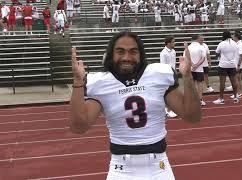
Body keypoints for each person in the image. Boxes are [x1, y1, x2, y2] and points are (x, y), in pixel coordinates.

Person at [69, 31, 201, 180]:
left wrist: (188, 77)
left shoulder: (158, 75)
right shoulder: (100, 83)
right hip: (121, 168)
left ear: (141, 54)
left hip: (159, 166)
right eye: (120, 51)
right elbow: (78, 127)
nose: (126, 57)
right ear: (111, 54)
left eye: (133, 52)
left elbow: (193, 116)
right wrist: (78, 83)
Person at [213, 30, 239, 104]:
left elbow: (217, 53)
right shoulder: (235, 43)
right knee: (234, 82)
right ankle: (235, 97)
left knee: (222, 83)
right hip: (232, 64)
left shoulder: (222, 43)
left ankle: (221, 98)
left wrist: (218, 57)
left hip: (223, 65)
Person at [160, 36, 178, 117]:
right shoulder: (163, 53)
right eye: (173, 42)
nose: (174, 43)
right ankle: (168, 110)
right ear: (168, 43)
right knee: (168, 93)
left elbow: (173, 63)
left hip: (173, 73)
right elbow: (163, 65)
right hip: (166, 74)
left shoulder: (173, 51)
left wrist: (175, 72)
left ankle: (168, 109)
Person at [187, 34, 206, 106]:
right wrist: (197, 65)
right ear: (197, 39)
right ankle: (200, 99)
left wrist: (192, 65)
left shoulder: (188, 47)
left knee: (192, 84)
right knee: (200, 84)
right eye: (200, 39)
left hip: (190, 69)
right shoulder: (201, 47)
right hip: (199, 69)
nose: (202, 40)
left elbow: (186, 57)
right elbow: (203, 58)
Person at [231, 30, 242, 98]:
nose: (232, 37)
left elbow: (241, 55)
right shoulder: (238, 44)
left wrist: (238, 65)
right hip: (238, 64)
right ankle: (239, 92)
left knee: (237, 79)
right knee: (238, 79)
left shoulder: (240, 45)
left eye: (233, 36)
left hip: (238, 65)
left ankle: (238, 93)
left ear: (236, 37)